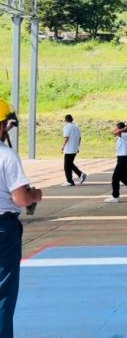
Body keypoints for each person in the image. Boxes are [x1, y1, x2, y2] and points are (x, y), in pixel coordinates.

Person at [0, 100, 43, 337]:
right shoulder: (6, 156)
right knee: (3, 294)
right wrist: (35, 194)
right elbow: (20, 199)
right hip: (3, 230)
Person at [61, 114, 86, 186]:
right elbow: (80, 138)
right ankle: (80, 174)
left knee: (67, 165)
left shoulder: (66, 127)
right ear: (72, 119)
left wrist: (62, 147)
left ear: (65, 120)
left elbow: (66, 137)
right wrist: (77, 147)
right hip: (74, 148)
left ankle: (70, 181)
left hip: (69, 149)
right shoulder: (77, 127)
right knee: (70, 164)